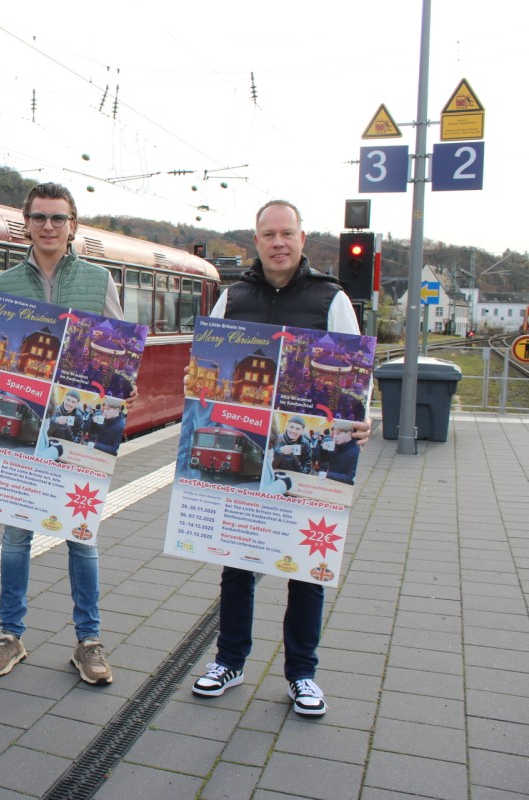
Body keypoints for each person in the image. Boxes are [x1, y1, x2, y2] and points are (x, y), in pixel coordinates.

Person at [190, 200, 370, 717]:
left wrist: (364, 414)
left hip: (307, 450)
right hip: (245, 443)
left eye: (286, 233)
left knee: (307, 568)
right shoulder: (233, 297)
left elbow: (356, 370)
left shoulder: (329, 298)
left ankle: (302, 674)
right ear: (256, 240)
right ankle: (230, 661)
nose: (278, 242)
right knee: (238, 561)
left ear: (302, 239)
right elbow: (206, 365)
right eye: (268, 234)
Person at [0, 182, 127, 686]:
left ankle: (89, 642)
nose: (49, 227)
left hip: (77, 430)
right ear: (27, 224)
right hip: (21, 422)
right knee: (16, 535)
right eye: (39, 218)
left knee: (81, 537)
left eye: (58, 218)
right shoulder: (3, 284)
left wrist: (123, 385)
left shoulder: (99, 280)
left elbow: (117, 353)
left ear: (72, 225)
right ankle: (10, 634)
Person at [321, 419, 360, 485]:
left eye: (338, 434)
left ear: (349, 433)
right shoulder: (336, 446)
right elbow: (323, 463)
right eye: (334, 434)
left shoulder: (355, 452)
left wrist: (328, 474)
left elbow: (351, 478)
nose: (335, 437)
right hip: (330, 487)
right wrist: (323, 451)